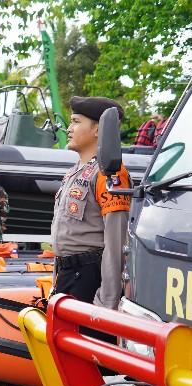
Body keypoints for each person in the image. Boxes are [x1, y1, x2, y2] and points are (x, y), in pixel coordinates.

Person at [51, 96, 131, 315]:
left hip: (89, 277)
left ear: (98, 129)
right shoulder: (73, 172)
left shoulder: (111, 173)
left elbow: (116, 241)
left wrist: (107, 300)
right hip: (67, 274)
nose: (69, 128)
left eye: (76, 121)